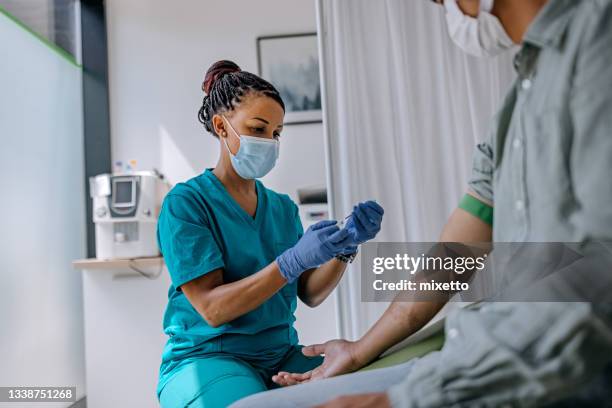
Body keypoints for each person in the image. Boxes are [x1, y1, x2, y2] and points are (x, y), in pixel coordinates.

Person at [230, 0, 612, 406]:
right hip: (486, 347)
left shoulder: (596, 41)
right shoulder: (515, 109)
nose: (446, 9)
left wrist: (406, 400)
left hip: (552, 369)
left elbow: (596, 278)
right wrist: (359, 349)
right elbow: (451, 260)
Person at [155, 60, 384, 408]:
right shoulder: (186, 204)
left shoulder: (281, 208)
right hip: (207, 358)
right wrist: (289, 262)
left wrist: (345, 248)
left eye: (276, 133)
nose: (270, 141)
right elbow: (213, 309)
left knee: (367, 388)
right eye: (259, 129)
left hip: (280, 357)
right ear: (221, 126)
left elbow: (309, 292)